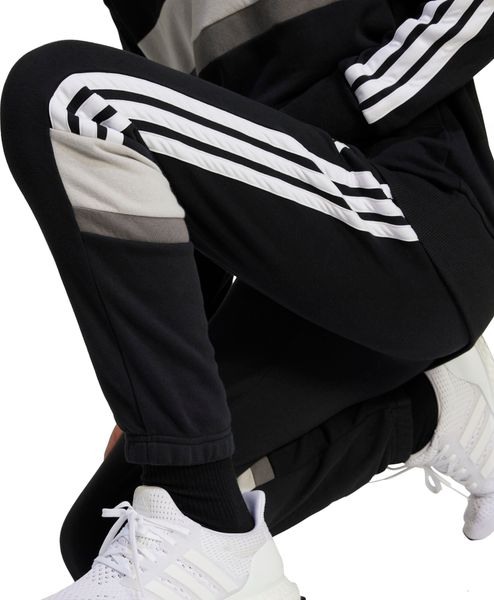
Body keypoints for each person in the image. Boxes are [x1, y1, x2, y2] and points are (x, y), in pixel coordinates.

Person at [2, 1, 494, 598]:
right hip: (314, 281)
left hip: (414, 221)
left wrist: (340, 108)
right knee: (103, 536)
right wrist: (167, 402)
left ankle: (202, 522)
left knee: (67, 94)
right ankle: (434, 404)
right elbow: (185, 181)